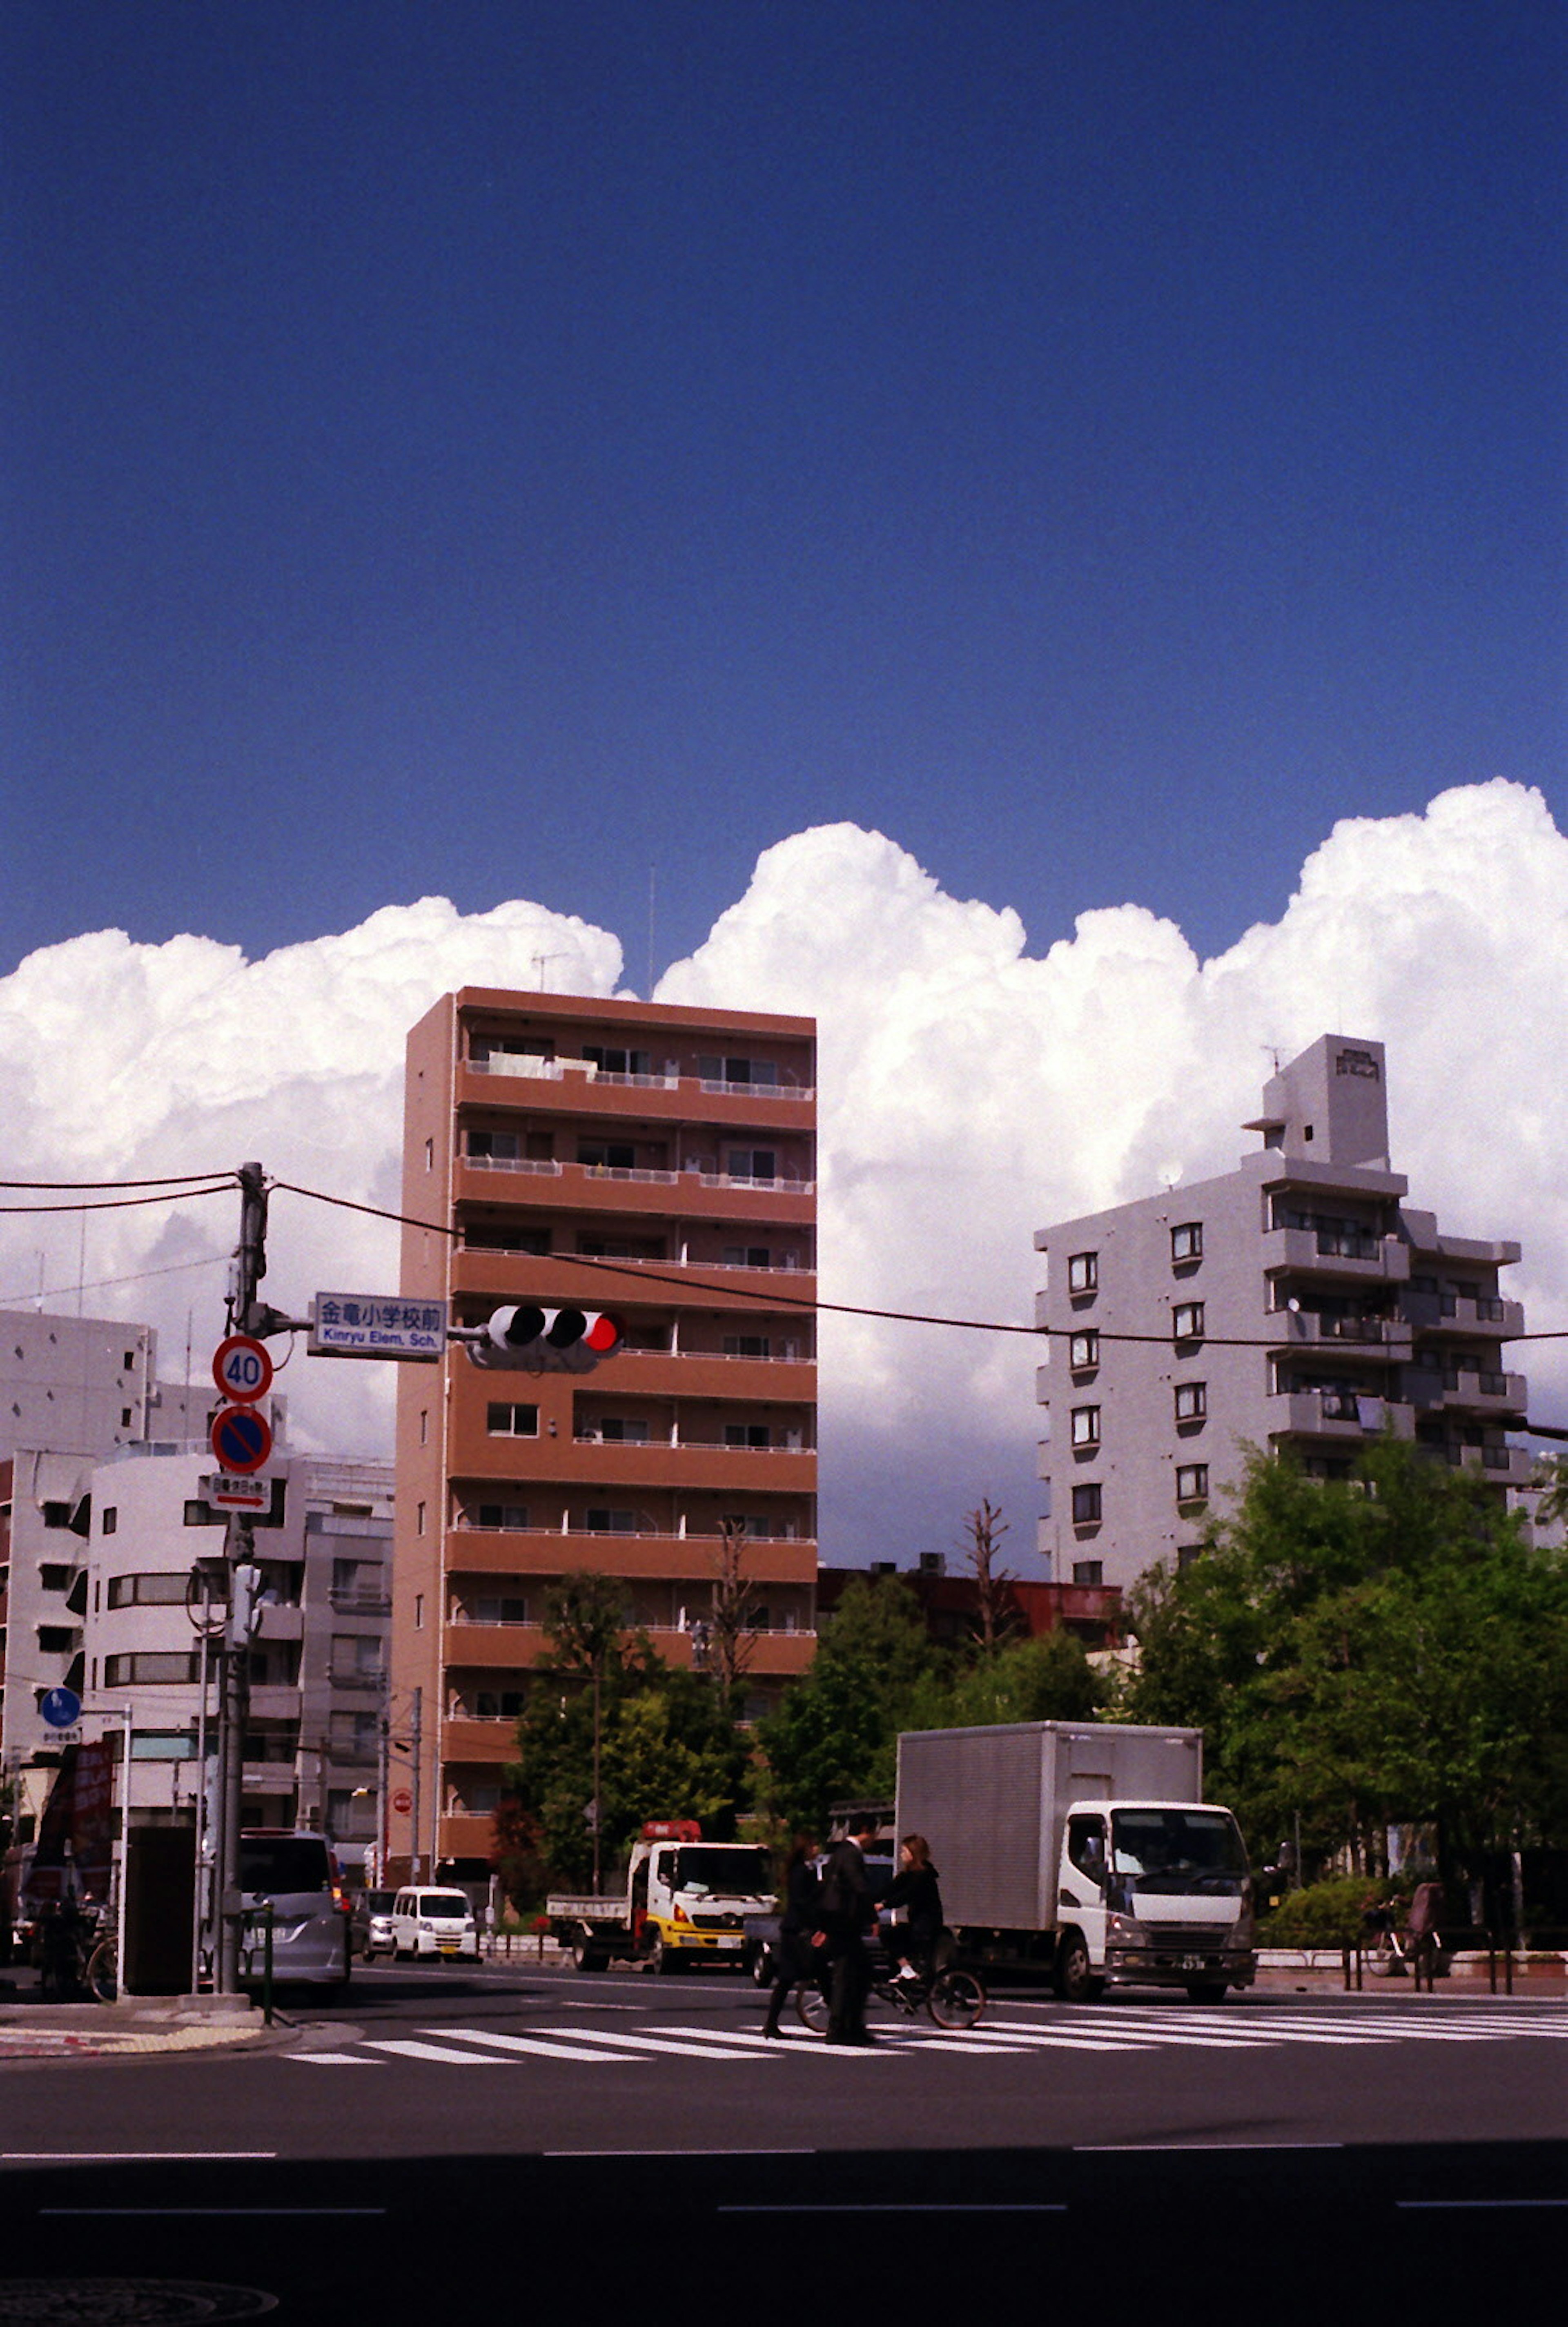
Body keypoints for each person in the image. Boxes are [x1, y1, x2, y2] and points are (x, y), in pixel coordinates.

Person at [815, 1812, 879, 2045]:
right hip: (845, 1924)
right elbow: (859, 1886)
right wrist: (872, 1916)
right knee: (851, 1975)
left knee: (856, 1974)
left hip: (835, 1922)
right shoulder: (852, 1855)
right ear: (865, 1830)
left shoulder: (838, 1853)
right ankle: (841, 2028)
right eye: (874, 1832)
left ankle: (850, 2026)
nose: (874, 1838)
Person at [762, 1832, 820, 2039]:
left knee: (787, 1980)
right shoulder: (800, 1872)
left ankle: (771, 2024)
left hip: (794, 1930)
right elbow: (803, 1903)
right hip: (797, 1931)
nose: (817, 1850)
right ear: (805, 1848)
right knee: (815, 1972)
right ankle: (771, 2025)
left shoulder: (805, 1870)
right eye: (813, 1846)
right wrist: (817, 1922)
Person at [882, 1834, 942, 1984]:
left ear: (913, 1854)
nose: (901, 1855)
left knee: (888, 1936)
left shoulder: (924, 1876)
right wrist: (867, 1900)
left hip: (926, 1927)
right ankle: (908, 1976)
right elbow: (890, 1889)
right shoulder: (909, 1874)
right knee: (896, 1948)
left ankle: (908, 1971)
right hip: (918, 1924)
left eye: (904, 1852)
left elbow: (907, 1895)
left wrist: (884, 1905)